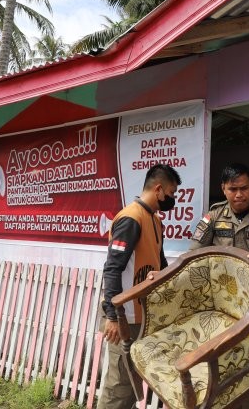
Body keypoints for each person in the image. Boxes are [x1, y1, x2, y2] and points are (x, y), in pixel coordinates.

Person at [189, 162, 249, 408]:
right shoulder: (213, 215)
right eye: (233, 189)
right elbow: (194, 253)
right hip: (225, 301)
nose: (239, 194)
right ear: (223, 189)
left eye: (244, 188)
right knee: (225, 354)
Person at [98, 163, 181, 409]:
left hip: (142, 314)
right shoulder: (131, 219)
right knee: (119, 383)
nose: (172, 199)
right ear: (158, 189)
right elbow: (112, 269)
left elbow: (160, 262)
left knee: (133, 378)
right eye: (171, 193)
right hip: (124, 315)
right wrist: (113, 316)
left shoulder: (155, 221)